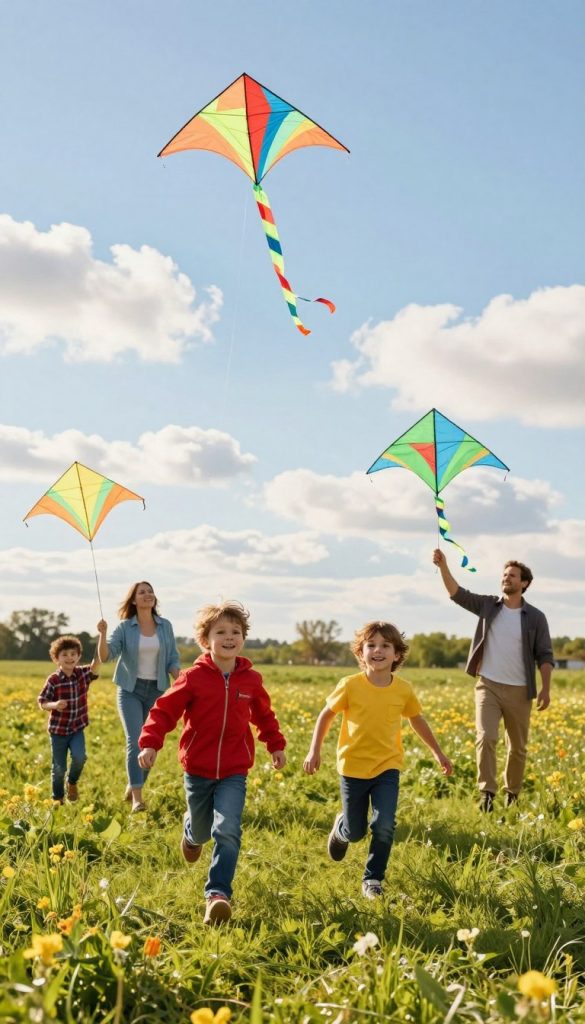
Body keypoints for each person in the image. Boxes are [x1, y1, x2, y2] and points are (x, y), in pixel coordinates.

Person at [138, 601, 286, 925]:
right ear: (206, 640)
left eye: (236, 631)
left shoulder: (251, 680)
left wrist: (275, 745)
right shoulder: (193, 678)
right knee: (204, 830)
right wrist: (150, 742)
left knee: (228, 828)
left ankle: (217, 894)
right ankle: (191, 833)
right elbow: (163, 711)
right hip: (198, 769)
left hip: (235, 770)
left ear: (243, 638)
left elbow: (264, 715)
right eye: (221, 632)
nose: (229, 637)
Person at [303, 621, 452, 899]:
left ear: (397, 655)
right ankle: (343, 828)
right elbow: (326, 714)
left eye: (386, 646)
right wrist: (315, 750)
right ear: (361, 653)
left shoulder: (403, 689)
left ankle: (373, 879)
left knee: (384, 824)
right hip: (352, 767)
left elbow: (416, 719)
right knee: (356, 831)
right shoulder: (350, 685)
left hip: (387, 767)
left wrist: (437, 752)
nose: (378, 650)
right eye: (371, 645)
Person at [432, 549, 554, 811]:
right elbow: (457, 593)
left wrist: (546, 688)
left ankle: (513, 795)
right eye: (504, 574)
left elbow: (545, 655)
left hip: (521, 691)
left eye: (512, 575)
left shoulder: (535, 617)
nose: (506, 578)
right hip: (488, 685)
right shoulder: (488, 605)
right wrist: (443, 566)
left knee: (517, 748)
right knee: (486, 737)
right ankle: (486, 794)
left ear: (524, 583)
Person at [97, 582, 180, 813]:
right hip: (130, 690)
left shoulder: (165, 626)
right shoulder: (125, 628)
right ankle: (137, 799)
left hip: (157, 690)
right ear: (133, 600)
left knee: (151, 743)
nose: (148, 595)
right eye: (142, 592)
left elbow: (172, 657)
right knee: (136, 741)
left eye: (150, 591)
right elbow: (106, 656)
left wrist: (181, 680)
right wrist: (102, 635)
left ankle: (134, 783)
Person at [38, 635, 99, 803]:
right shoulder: (54, 679)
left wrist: (102, 633)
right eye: (64, 654)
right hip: (58, 732)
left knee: (80, 758)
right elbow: (42, 702)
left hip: (76, 729)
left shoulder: (82, 674)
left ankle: (71, 782)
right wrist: (55, 704)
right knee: (59, 768)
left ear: (78, 656)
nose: (69, 657)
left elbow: (97, 662)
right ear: (56, 658)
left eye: (73, 654)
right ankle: (58, 799)